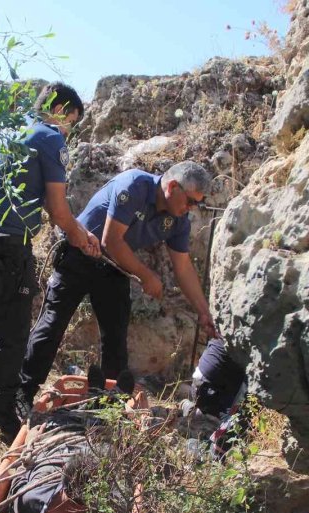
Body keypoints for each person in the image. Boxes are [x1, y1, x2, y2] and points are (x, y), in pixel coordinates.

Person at [0, 82, 100, 440]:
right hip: (4, 246)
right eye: (73, 120)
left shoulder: (8, 128)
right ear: (63, 112)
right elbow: (58, 210)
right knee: (12, 333)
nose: (70, 128)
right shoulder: (51, 139)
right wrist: (83, 239)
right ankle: (1, 414)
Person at [19, 161, 216, 403]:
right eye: (190, 201)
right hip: (79, 254)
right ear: (172, 186)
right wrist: (147, 276)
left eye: (197, 203)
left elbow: (183, 267)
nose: (191, 208)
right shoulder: (134, 186)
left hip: (115, 268)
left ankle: (106, 407)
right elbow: (111, 241)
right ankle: (21, 393)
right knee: (53, 325)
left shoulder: (178, 220)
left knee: (115, 340)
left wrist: (204, 312)